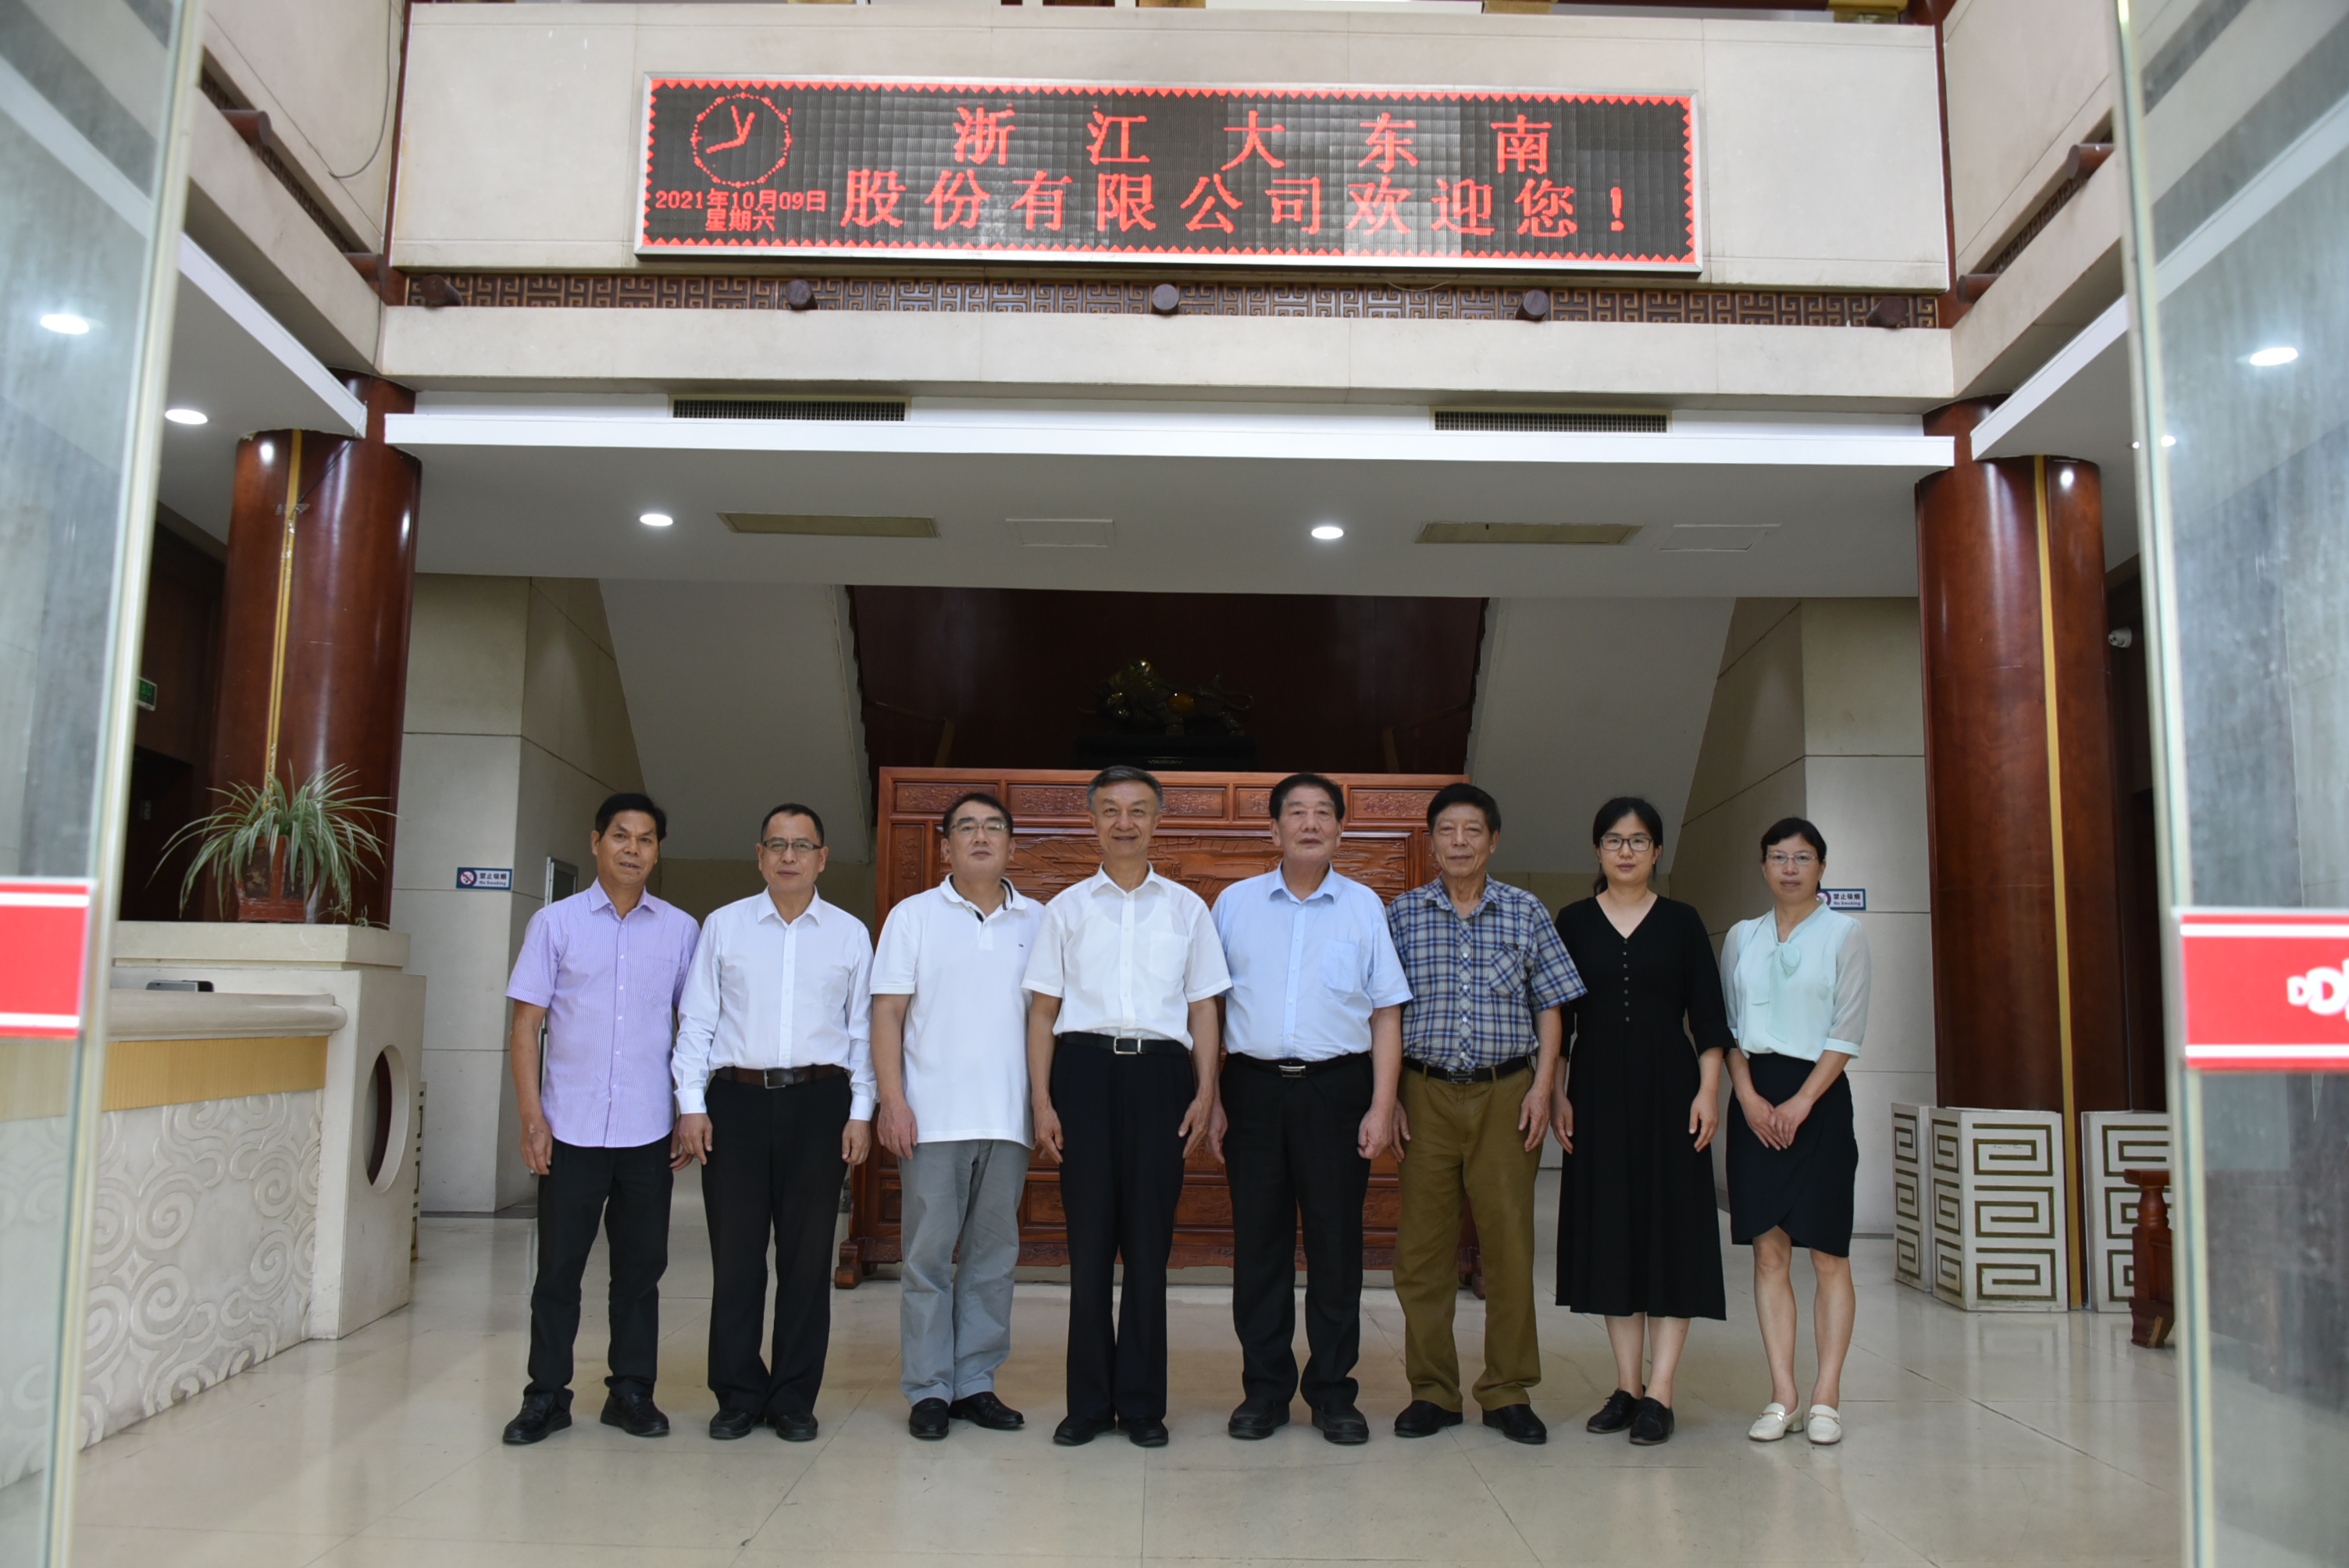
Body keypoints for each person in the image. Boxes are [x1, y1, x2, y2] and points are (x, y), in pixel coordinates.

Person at [1024, 764, 1230, 1448]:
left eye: (1138, 809)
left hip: (1161, 1077)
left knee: (1148, 1247)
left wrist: (1206, 1091)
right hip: (1082, 1073)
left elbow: (1204, 1008)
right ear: (1092, 821)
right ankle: (1087, 1404)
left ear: (1158, 820)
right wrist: (1042, 1100)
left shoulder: (1187, 909)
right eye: (1111, 809)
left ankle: (1141, 1404)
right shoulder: (1065, 909)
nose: (1125, 822)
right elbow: (1043, 1012)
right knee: (1088, 1248)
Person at [1210, 773, 1410, 1445]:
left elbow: (1386, 1013)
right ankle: (1264, 1391)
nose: (1310, 823)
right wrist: (1212, 1096)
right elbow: (1208, 1007)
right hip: (1253, 1089)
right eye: (1295, 812)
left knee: (1335, 1245)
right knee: (1258, 1245)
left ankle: (1332, 1392)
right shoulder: (1235, 904)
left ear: (1340, 830)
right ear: (1273, 829)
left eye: (1324, 813)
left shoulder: (1364, 907)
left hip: (1338, 1090)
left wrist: (1382, 1103)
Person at [1385, 782, 1584, 1445]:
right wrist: (1388, 1097)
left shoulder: (1526, 912)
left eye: (1473, 830)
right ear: (1432, 842)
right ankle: (1432, 1390)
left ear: (1493, 841)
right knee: (1422, 1250)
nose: (1460, 842)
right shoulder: (1402, 915)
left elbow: (1551, 1006)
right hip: (1424, 1093)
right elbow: (1383, 1012)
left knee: (1508, 1246)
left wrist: (1543, 1087)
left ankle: (1507, 1390)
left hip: (1507, 1093)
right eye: (1447, 830)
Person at [501, 793, 701, 1445]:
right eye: (621, 836)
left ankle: (631, 1392)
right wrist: (531, 1117)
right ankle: (546, 1396)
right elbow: (526, 1026)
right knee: (558, 1271)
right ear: (596, 843)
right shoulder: (554, 924)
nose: (632, 849)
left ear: (657, 851)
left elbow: (695, 1028)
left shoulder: (680, 930)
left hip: (648, 1130)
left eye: (645, 839)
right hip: (570, 1128)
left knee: (640, 1273)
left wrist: (687, 1109)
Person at [672, 803, 873, 1443]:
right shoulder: (725, 926)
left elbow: (863, 1033)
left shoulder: (849, 934)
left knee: (807, 1260)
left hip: (820, 1103)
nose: (790, 856)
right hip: (735, 1104)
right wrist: (691, 1104)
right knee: (737, 1258)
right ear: (759, 856)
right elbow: (697, 1021)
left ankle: (792, 1398)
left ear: (822, 858)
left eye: (802, 845)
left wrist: (861, 1112)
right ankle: (737, 1393)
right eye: (777, 845)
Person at [1550, 796, 1729, 1449]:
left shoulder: (1682, 922)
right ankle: (1626, 1388)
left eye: (1638, 841)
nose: (1626, 852)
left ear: (1656, 852)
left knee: (1671, 1232)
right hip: (1595, 1091)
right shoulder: (1573, 921)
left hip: (1671, 1091)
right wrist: (1558, 1093)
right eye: (1614, 840)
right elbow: (1558, 1019)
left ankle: (1662, 1393)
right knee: (1612, 1232)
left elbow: (1708, 1017)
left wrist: (1709, 1092)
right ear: (1598, 850)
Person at [870, 789, 1040, 1441]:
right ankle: (929, 1389)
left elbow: (1049, 1021)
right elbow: (888, 1013)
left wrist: (1043, 1105)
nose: (980, 837)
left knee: (993, 1260)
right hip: (931, 1119)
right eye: (966, 827)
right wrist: (893, 1101)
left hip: (1009, 1119)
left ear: (1011, 846)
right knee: (927, 1259)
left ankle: (975, 1383)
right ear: (945, 847)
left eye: (993, 827)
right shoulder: (912, 917)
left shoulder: (1040, 920)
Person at [1720, 816, 1871, 1448]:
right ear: (1763, 866)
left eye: (1802, 857)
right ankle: (1783, 1395)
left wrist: (1804, 1101)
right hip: (1755, 1099)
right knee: (1770, 1252)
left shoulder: (1845, 933)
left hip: (1821, 1098)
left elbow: (1848, 1028)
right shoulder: (1742, 936)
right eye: (1779, 857)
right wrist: (1749, 1097)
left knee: (1829, 1253)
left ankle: (1827, 1396)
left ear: (1821, 867)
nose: (1790, 868)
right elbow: (1728, 1028)